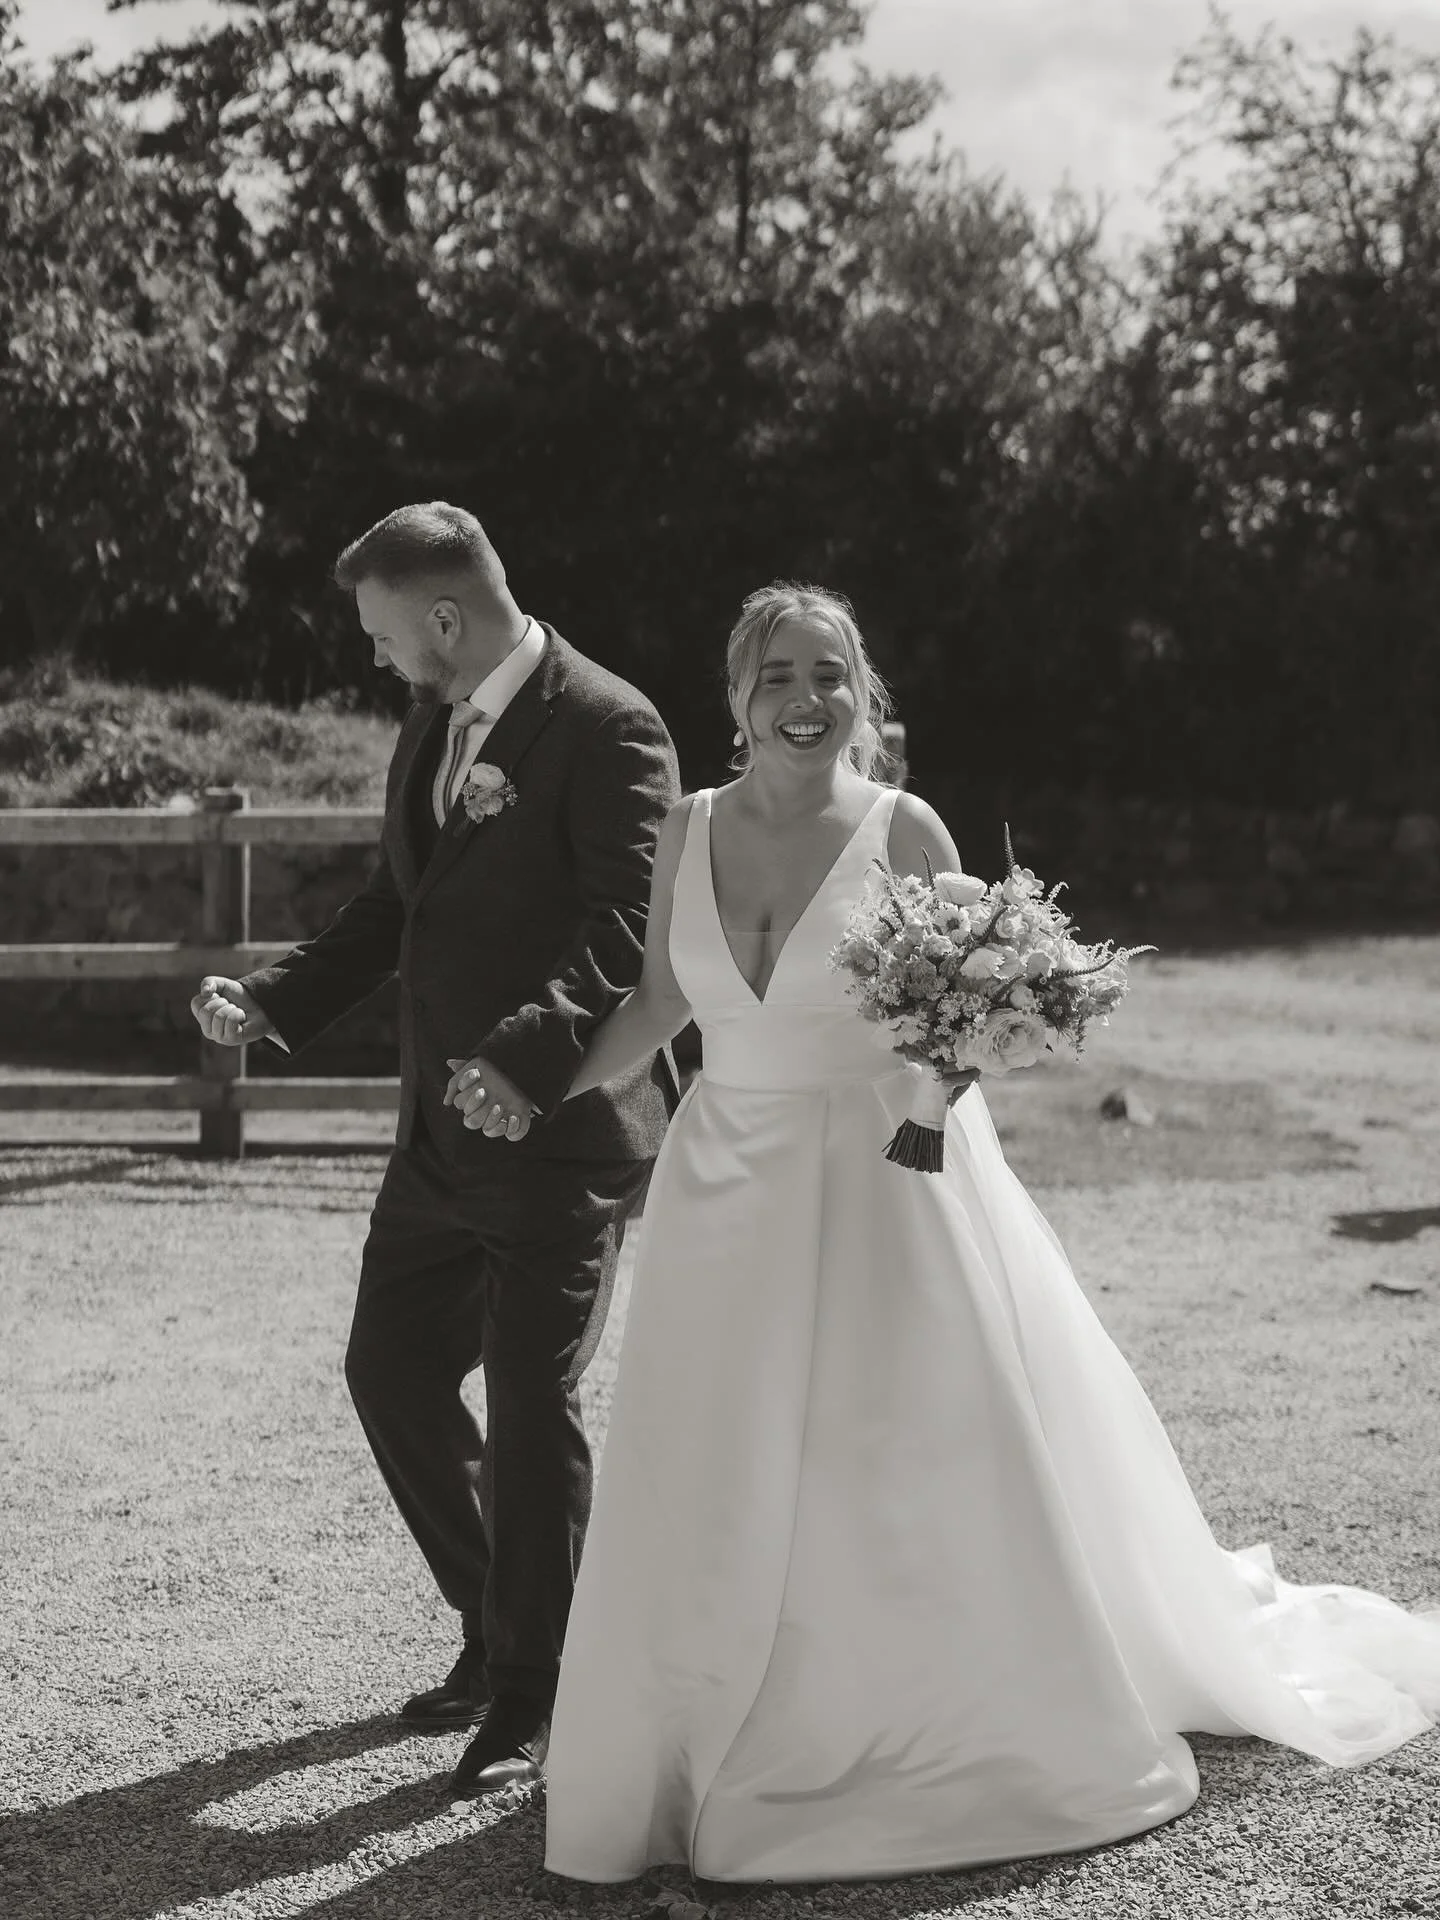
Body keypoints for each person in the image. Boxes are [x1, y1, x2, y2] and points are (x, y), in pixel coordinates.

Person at [458, 580, 1440, 1885]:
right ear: (735, 696)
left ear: (863, 697)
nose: (809, 702)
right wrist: (538, 1084)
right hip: (722, 1186)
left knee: (885, 1454)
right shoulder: (685, 830)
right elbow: (654, 1002)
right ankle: (688, 1734)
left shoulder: (903, 828)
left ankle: (886, 1721)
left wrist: (927, 1112)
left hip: (881, 1172)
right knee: (713, 1451)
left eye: (834, 676)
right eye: (781, 677)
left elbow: (969, 1012)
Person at [190, 502, 679, 1798]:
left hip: (562, 1131)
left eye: (384, 634)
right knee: (392, 1375)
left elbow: (632, 922)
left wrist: (524, 1060)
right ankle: (504, 1627)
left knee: (528, 1400)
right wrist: (278, 1001)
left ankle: (538, 1684)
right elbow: (399, 901)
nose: (377, 658)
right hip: (432, 1138)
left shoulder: (610, 724)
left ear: (447, 618)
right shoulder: (433, 722)